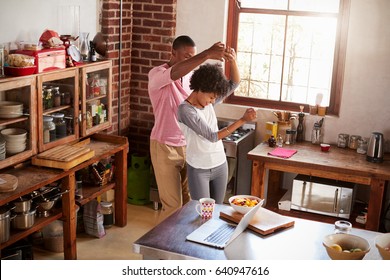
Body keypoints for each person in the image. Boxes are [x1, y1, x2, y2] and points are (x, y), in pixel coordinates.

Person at [148, 35, 229, 220]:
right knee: (172, 206)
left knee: (190, 205)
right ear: (172, 53)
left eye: (193, 56)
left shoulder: (191, 77)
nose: (191, 60)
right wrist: (207, 54)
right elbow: (174, 73)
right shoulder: (157, 75)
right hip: (164, 147)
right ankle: (162, 246)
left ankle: (183, 247)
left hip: (188, 147)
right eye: (187, 56)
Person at [177, 48, 258, 204]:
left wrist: (232, 60)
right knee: (203, 215)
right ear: (200, 88)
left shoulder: (207, 101)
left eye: (215, 97)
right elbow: (212, 136)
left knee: (217, 211)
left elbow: (234, 83)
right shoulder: (185, 110)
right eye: (211, 97)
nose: (214, 101)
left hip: (220, 164)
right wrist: (242, 120)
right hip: (199, 169)